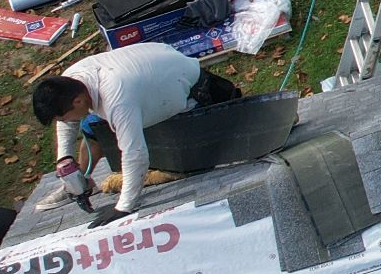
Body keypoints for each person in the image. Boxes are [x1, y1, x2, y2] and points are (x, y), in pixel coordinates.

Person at [32, 43, 240, 214]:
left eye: (63, 117)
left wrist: (123, 207)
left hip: (197, 94)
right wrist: (65, 160)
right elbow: (67, 122)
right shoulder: (72, 79)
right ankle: (81, 183)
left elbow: (135, 153)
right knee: (89, 126)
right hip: (158, 78)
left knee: (182, 162)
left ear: (77, 101)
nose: (65, 122)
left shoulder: (117, 98)